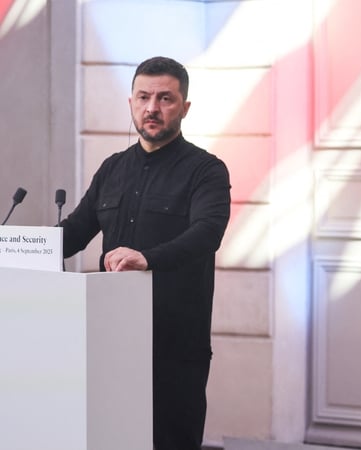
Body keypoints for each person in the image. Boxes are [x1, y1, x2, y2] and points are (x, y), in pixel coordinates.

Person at [60, 56, 231, 449]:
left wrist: (147, 258)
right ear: (131, 103)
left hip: (174, 346)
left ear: (184, 107)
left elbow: (207, 233)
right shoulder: (112, 168)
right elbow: (73, 233)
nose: (152, 108)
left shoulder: (206, 170)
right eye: (143, 97)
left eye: (165, 98)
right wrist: (20, 249)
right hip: (109, 340)